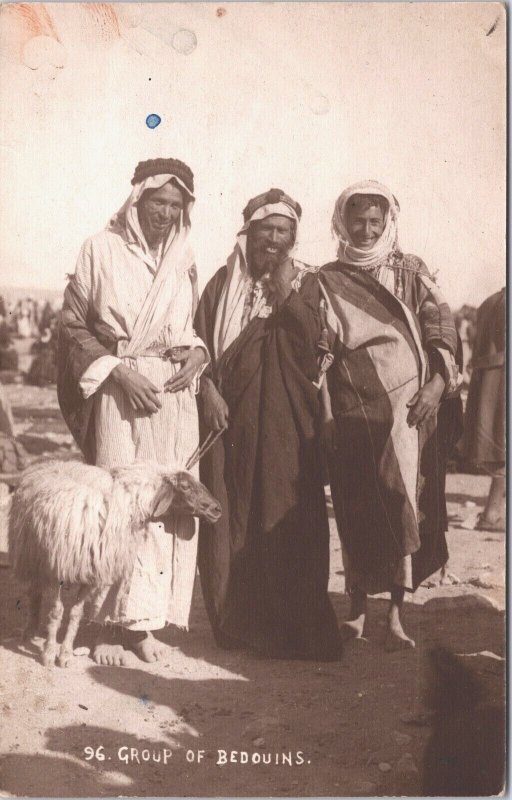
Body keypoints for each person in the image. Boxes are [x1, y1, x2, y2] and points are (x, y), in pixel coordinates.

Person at [58, 158, 208, 666]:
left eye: (174, 204)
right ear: (137, 199)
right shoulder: (99, 249)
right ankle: (104, 626)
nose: (164, 213)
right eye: (156, 201)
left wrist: (197, 354)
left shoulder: (184, 256)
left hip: (173, 395)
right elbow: (73, 326)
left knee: (168, 504)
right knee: (119, 506)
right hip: (121, 390)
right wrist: (119, 373)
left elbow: (188, 327)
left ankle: (144, 626)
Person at [194, 188, 342, 661]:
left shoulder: (310, 283)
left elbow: (320, 347)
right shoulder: (221, 285)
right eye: (265, 230)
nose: (273, 240)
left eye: (282, 231)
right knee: (232, 516)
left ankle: (294, 632)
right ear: (249, 232)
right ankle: (236, 626)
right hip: (229, 424)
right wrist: (208, 390)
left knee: (285, 516)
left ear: (293, 237)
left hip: (287, 428)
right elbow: (199, 347)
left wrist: (287, 295)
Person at [319, 180, 461, 651]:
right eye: (357, 220)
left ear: (387, 223)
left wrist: (436, 388)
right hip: (352, 406)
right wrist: (327, 413)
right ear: (343, 221)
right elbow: (323, 347)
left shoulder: (411, 270)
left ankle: (395, 616)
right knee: (357, 501)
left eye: (374, 222)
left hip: (409, 411)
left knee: (403, 504)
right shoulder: (328, 276)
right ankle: (356, 611)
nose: (365, 229)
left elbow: (440, 324)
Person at [461, 288, 505, 531]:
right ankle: (492, 513)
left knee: (499, 446)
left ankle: (493, 512)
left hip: (486, 381)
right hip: (502, 379)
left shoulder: (489, 301)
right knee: (503, 448)